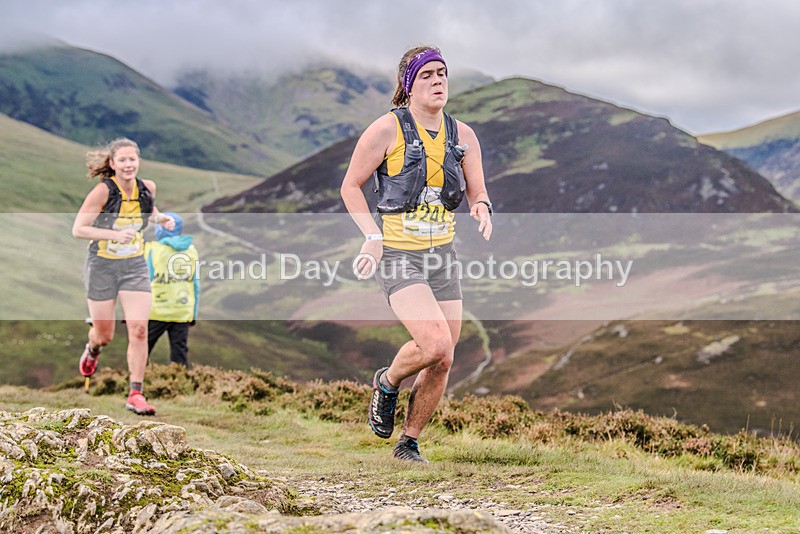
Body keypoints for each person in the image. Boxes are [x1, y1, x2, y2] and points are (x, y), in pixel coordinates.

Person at [340, 46, 493, 462]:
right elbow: (350, 186)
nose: (439, 80)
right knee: (435, 343)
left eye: (443, 73)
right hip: (397, 254)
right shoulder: (386, 129)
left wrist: (481, 205)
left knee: (444, 360)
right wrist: (371, 235)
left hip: (442, 255)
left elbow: (477, 189)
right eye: (427, 75)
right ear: (409, 85)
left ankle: (408, 443)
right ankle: (387, 382)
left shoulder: (463, 135)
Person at [72, 137, 174, 416]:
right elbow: (79, 229)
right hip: (102, 265)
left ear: (138, 162)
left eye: (133, 159)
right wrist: (114, 235)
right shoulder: (103, 192)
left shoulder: (147, 188)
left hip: (134, 265)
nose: (128, 164)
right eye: (123, 160)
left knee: (139, 328)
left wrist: (161, 218)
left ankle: (136, 393)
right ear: (113, 164)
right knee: (105, 335)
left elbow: (146, 211)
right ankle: (92, 348)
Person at [144, 212, 199, 367]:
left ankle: (138, 383)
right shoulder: (192, 251)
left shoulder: (152, 250)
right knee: (179, 354)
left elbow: (144, 282)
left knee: (142, 349)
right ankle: (181, 386)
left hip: (156, 310)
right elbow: (195, 285)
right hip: (182, 311)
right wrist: (192, 314)